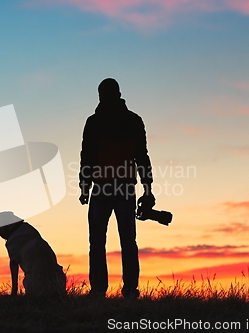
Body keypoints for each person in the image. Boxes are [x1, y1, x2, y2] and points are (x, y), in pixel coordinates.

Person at [79, 78, 155, 299]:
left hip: (104, 187)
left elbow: (87, 157)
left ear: (101, 95)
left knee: (98, 241)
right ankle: (129, 290)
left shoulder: (94, 122)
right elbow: (142, 157)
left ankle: (100, 290)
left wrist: (84, 186)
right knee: (127, 241)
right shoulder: (133, 120)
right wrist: (147, 188)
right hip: (124, 187)